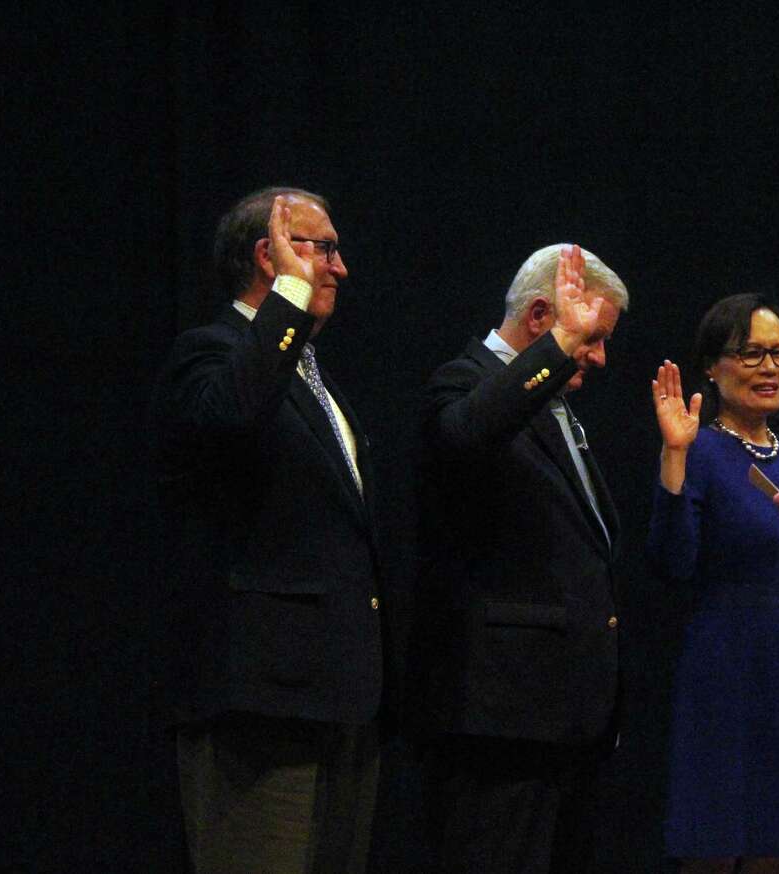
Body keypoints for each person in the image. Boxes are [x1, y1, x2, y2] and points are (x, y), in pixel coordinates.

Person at [150, 188, 388, 874]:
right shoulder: (209, 353)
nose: (341, 269)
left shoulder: (316, 376)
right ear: (269, 254)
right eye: (325, 248)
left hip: (340, 701)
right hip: (259, 704)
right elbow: (229, 417)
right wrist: (290, 291)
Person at [411, 243, 628, 873]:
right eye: (593, 338)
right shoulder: (463, 381)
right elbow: (463, 435)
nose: (599, 357)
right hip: (501, 721)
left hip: (567, 723)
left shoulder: (555, 407)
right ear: (541, 317)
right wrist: (561, 348)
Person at [647, 293, 779, 874]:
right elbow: (671, 563)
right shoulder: (699, 449)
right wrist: (674, 455)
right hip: (722, 677)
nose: (770, 368)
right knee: (713, 848)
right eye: (752, 354)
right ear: (712, 367)